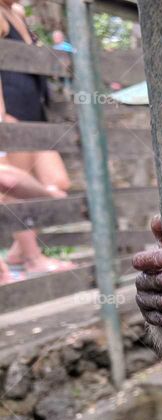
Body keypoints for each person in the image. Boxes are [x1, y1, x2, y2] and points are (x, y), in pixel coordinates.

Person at [1, 1, 77, 276]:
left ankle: (18, 252)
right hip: (11, 110)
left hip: (34, 109)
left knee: (57, 183)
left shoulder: (17, 12)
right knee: (14, 188)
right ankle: (33, 258)